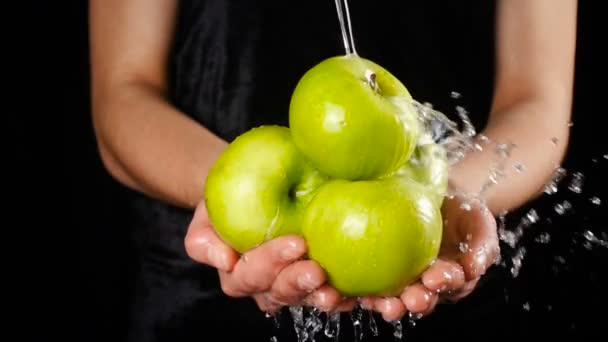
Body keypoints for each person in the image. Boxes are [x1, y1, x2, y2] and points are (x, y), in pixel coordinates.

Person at [88, 0, 577, 340]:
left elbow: (536, 103)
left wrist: (449, 199)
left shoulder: (438, 213)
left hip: (443, 271)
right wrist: (223, 191)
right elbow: (123, 94)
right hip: (196, 299)